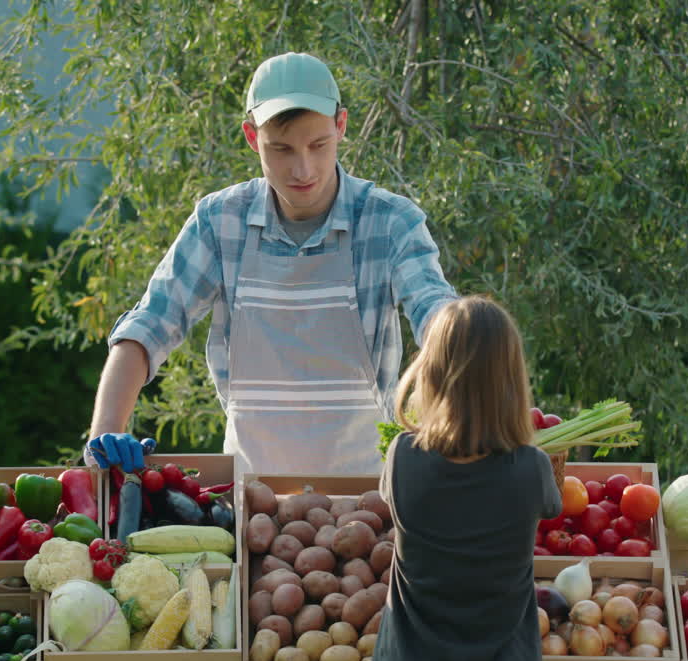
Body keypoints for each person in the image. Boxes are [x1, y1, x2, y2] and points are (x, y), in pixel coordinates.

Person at [84, 52, 458, 478]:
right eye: (280, 149)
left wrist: (473, 364)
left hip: (369, 500)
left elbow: (438, 317)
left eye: (318, 145)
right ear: (251, 136)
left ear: (341, 126)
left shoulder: (390, 223)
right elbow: (147, 329)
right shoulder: (220, 223)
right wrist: (104, 436)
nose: (303, 169)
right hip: (248, 500)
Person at [371, 295, 563, 661]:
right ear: (511, 382)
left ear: (431, 374)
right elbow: (552, 505)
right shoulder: (531, 469)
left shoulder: (402, 458)